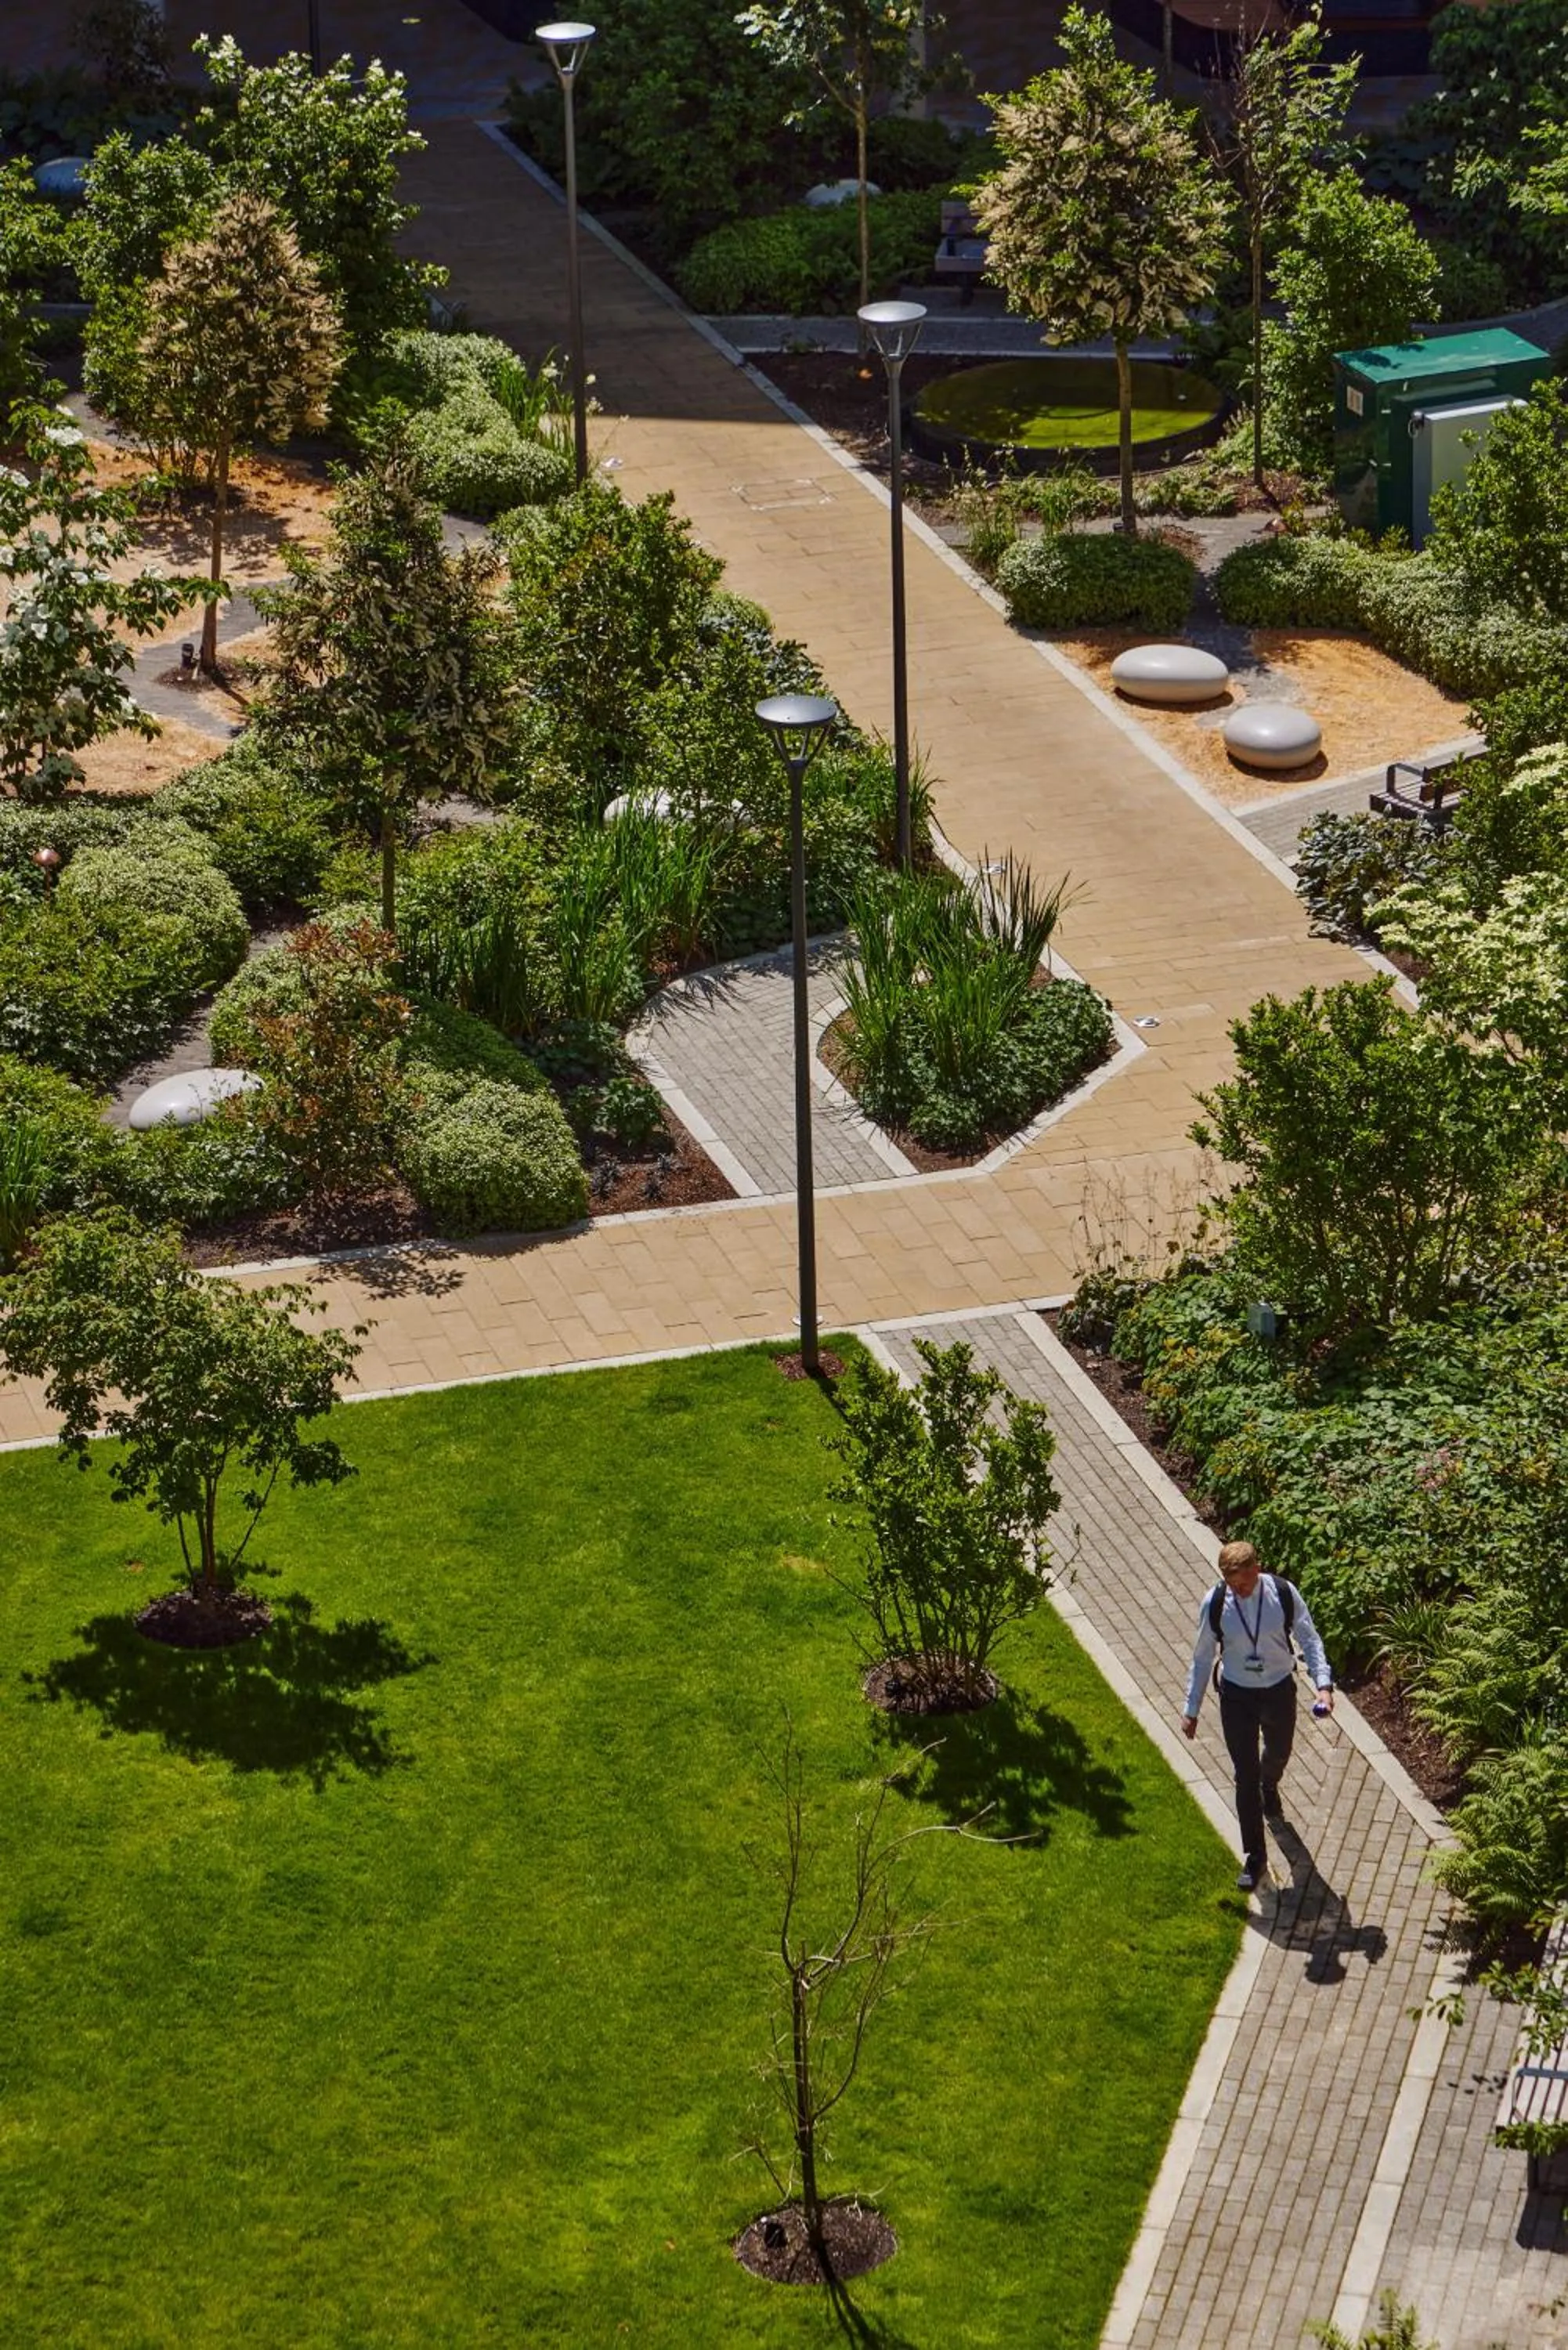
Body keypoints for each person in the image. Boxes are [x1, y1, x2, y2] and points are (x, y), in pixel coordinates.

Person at [1180, 1539, 1333, 1893]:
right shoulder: (1217, 1602)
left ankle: (1271, 1783)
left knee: (1279, 1752)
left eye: (1244, 1583)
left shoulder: (1282, 1593)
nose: (1239, 1590)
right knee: (1243, 1776)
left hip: (1279, 1690)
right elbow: (1202, 1657)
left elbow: (1309, 1640)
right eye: (1232, 1585)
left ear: (1256, 1568)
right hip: (1237, 1696)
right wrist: (1191, 1709)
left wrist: (1322, 1685)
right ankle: (1255, 1858)